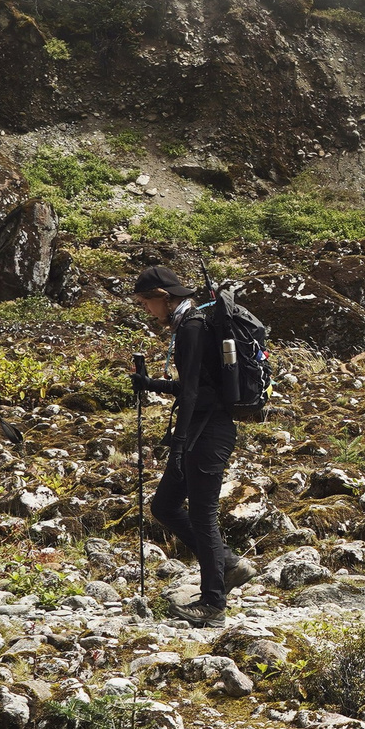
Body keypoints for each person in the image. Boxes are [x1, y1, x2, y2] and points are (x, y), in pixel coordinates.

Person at [130, 268, 236, 628]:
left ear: (163, 295)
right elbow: (196, 385)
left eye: (146, 302)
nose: (146, 310)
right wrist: (152, 384)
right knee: (164, 506)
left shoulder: (192, 327)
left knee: (204, 516)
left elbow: (193, 393)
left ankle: (213, 605)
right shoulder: (191, 323)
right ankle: (228, 564)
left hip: (208, 433)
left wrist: (178, 444)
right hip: (203, 428)